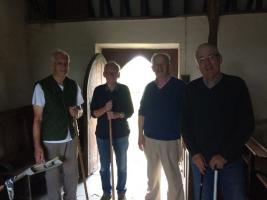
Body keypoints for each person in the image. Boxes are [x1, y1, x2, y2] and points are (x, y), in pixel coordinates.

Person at [181, 43, 255, 200]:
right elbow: (185, 125)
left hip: (231, 161)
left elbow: (246, 125)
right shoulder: (191, 89)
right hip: (201, 163)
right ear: (198, 64)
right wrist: (194, 154)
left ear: (220, 59)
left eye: (211, 57)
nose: (207, 63)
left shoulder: (236, 85)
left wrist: (224, 155)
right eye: (201, 59)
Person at [32, 49, 84, 200]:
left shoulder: (73, 85)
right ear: (53, 65)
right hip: (51, 140)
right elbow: (37, 119)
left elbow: (80, 109)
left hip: (71, 137)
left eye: (66, 63)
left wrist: (77, 113)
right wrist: (37, 147)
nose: (63, 66)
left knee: (72, 175)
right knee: (52, 178)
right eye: (60, 63)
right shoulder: (41, 87)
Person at [138, 53, 185, 200]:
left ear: (168, 65)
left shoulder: (180, 86)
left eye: (162, 64)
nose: (159, 67)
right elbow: (142, 112)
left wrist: (185, 137)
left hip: (171, 140)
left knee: (174, 180)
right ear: (152, 67)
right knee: (152, 179)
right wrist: (140, 134)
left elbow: (187, 113)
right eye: (156, 64)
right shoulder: (149, 88)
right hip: (150, 140)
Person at [90, 62, 134, 200]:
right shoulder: (98, 90)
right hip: (103, 134)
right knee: (104, 166)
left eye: (114, 72)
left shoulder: (124, 89)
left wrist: (116, 114)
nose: (111, 74)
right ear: (104, 74)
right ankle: (106, 192)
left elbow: (130, 111)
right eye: (108, 72)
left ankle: (121, 191)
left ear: (118, 74)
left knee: (121, 164)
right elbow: (94, 113)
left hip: (121, 134)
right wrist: (105, 109)